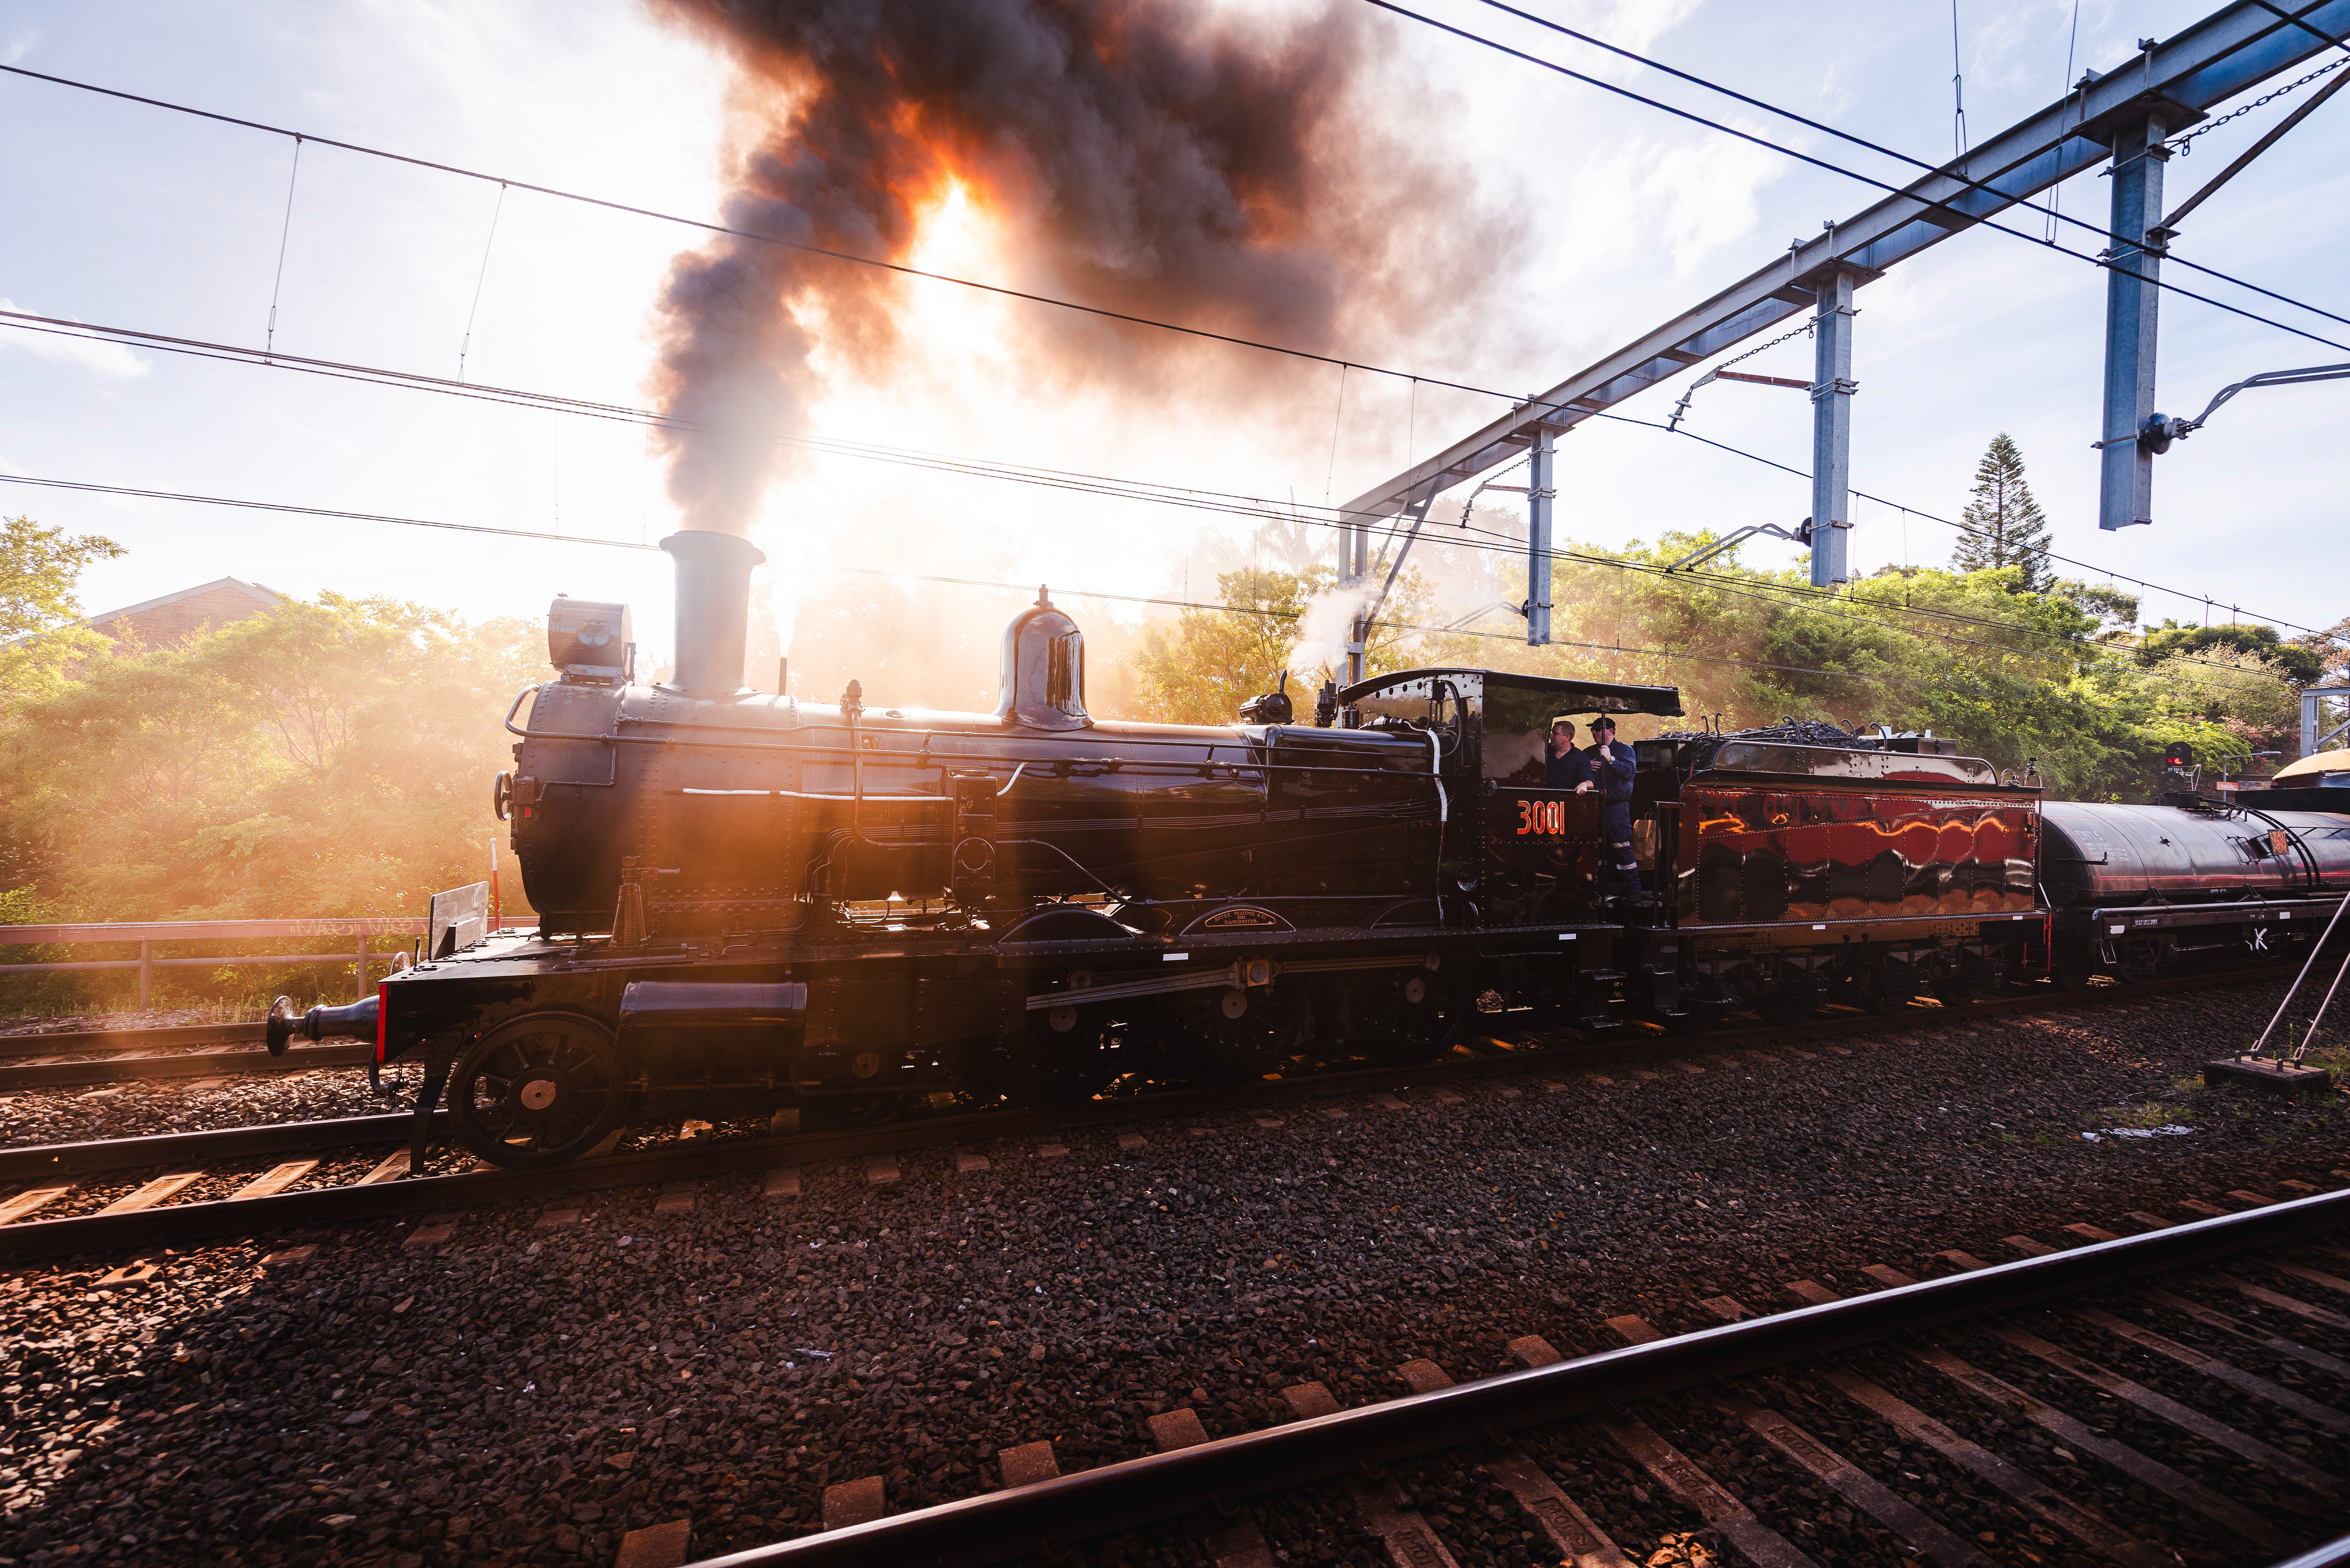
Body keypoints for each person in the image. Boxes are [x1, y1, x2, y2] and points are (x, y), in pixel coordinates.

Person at [1574, 714, 1643, 898]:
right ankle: (1599, 889)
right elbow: (1577, 774)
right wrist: (1587, 766)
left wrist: (1611, 760)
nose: (1594, 733)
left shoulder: (1625, 750)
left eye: (1598, 729)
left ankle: (1634, 890)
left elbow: (1630, 773)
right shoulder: (1588, 753)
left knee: (1621, 847)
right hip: (1592, 807)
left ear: (1610, 731)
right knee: (1594, 848)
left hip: (1616, 808)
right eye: (1592, 730)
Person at [1544, 719, 1588, 789]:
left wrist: (1584, 785)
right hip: (1540, 797)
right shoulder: (1543, 750)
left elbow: (1589, 781)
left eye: (1555, 734)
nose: (1551, 736)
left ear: (1567, 737)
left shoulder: (1581, 757)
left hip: (1566, 798)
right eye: (1552, 732)